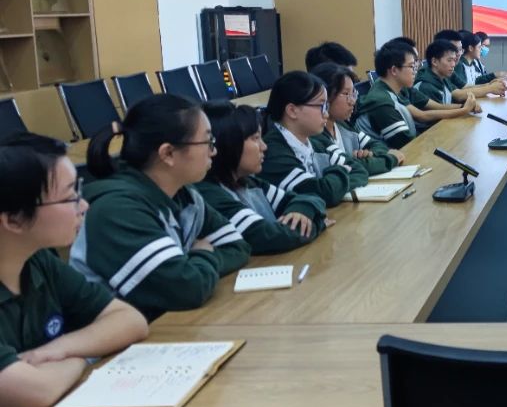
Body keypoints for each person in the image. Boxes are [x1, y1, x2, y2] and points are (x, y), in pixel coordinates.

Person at [0, 134, 148, 407]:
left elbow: (130, 321)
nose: (84, 206)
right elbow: (34, 392)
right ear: (14, 219)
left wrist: (60, 348)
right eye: (70, 197)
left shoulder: (38, 261)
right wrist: (82, 357)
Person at [71, 94, 250, 321]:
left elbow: (237, 247)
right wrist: (202, 254)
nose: (213, 151)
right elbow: (187, 289)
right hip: (112, 340)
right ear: (168, 153)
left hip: (165, 324)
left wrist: (193, 266)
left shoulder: (185, 195)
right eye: (207, 142)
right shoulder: (117, 211)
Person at [194, 103, 329, 255]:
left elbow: (310, 198)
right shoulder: (209, 193)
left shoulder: (248, 182)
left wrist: (301, 210)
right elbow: (271, 237)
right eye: (255, 138)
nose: (264, 146)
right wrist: (318, 223)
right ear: (230, 144)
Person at [260, 71, 365, 207]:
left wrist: (334, 182)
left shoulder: (313, 142)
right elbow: (324, 193)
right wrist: (340, 171)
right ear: (292, 110)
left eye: (326, 106)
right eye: (321, 106)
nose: (326, 114)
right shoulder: (273, 152)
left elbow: (359, 170)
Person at [358, 41, 476, 148]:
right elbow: (406, 144)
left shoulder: (400, 87)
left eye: (416, 64)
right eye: (411, 66)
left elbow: (434, 108)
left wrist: (464, 108)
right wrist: (463, 110)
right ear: (394, 70)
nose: (416, 70)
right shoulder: (382, 101)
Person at [312, 62, 404, 176]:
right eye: (346, 94)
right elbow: (354, 167)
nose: (352, 101)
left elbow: (378, 145)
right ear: (325, 96)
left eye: (353, 93)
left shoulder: (343, 124)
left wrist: (370, 154)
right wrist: (391, 158)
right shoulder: (316, 134)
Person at [414, 39, 482, 123]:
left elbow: (452, 101)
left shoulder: (444, 79)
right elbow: (438, 114)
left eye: (454, 60)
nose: (453, 64)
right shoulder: (425, 86)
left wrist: (468, 104)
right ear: (434, 61)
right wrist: (465, 108)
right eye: (449, 60)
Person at [450, 32, 507, 96]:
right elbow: (461, 91)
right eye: (479, 47)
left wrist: (490, 84)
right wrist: (490, 88)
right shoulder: (459, 65)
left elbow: (471, 84)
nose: (481, 50)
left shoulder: (473, 63)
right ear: (471, 48)